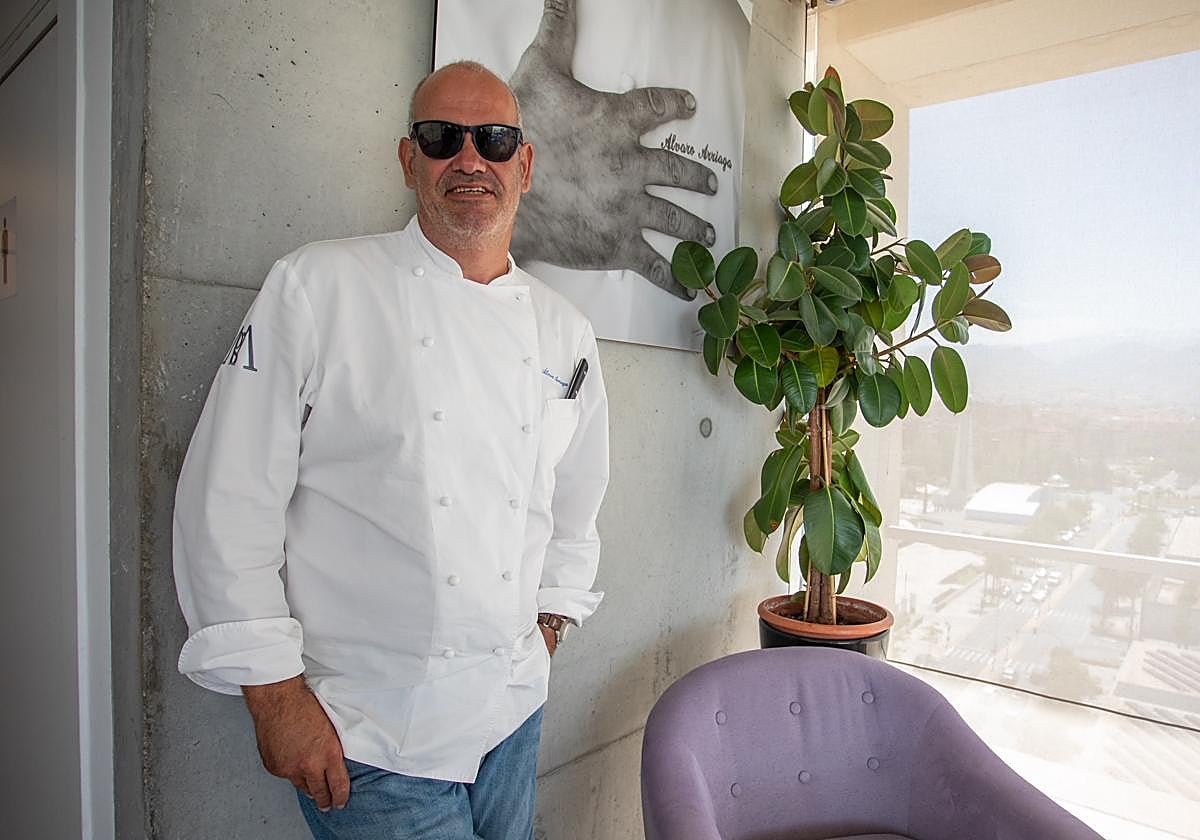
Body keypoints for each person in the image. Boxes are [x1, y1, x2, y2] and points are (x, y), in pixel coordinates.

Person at [172, 60, 609, 839]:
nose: (470, 159)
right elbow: (228, 500)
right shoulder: (317, 287)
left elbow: (575, 503)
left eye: (495, 139)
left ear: (526, 165)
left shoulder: (564, 331)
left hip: (512, 711)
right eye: (443, 138)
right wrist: (274, 699)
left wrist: (548, 629)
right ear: (410, 160)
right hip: (369, 731)